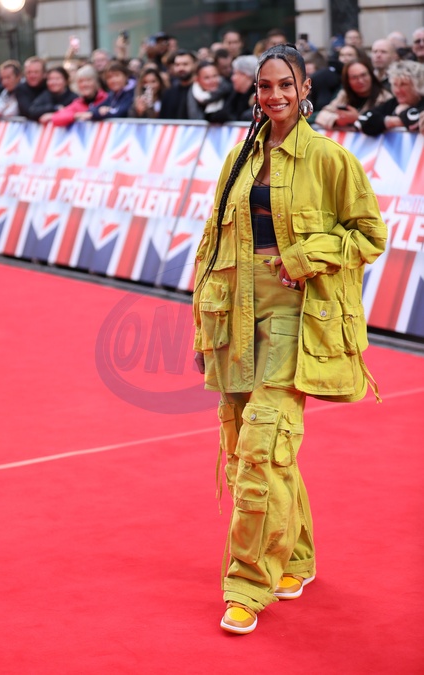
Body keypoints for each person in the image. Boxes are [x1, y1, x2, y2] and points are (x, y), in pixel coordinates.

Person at [192, 43, 387, 635]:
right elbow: (212, 243)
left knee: (262, 447)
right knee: (253, 447)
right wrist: (202, 324)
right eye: (265, 86)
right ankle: (296, 558)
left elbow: (370, 234)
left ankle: (247, 585)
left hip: (295, 320)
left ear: (305, 90)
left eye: (285, 84)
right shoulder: (239, 158)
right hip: (234, 316)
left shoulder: (329, 159)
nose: (274, 95)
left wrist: (304, 256)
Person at [315, 58, 392, 129]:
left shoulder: (385, 98)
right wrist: (338, 120)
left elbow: (384, 123)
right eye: (354, 78)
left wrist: (358, 118)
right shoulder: (344, 95)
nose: (360, 81)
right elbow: (322, 115)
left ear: (371, 75)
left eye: (363, 75)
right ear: (347, 81)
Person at [357, 60, 424, 135]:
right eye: (395, 84)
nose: (397, 90)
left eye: (403, 84)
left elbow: (417, 122)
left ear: (418, 85)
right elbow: (364, 119)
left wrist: (402, 113)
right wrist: (391, 121)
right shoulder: (394, 102)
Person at [159, 50, 197, 119]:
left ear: (194, 65)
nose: (181, 68)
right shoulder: (169, 93)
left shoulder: (201, 91)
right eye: (177, 65)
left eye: (185, 64)